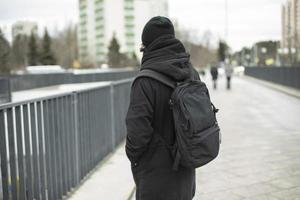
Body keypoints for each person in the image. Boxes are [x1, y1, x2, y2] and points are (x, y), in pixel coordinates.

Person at [125, 16, 199, 200]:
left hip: (154, 179)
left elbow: (137, 135)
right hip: (185, 173)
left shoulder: (145, 81)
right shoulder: (191, 73)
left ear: (146, 46)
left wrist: (135, 161)